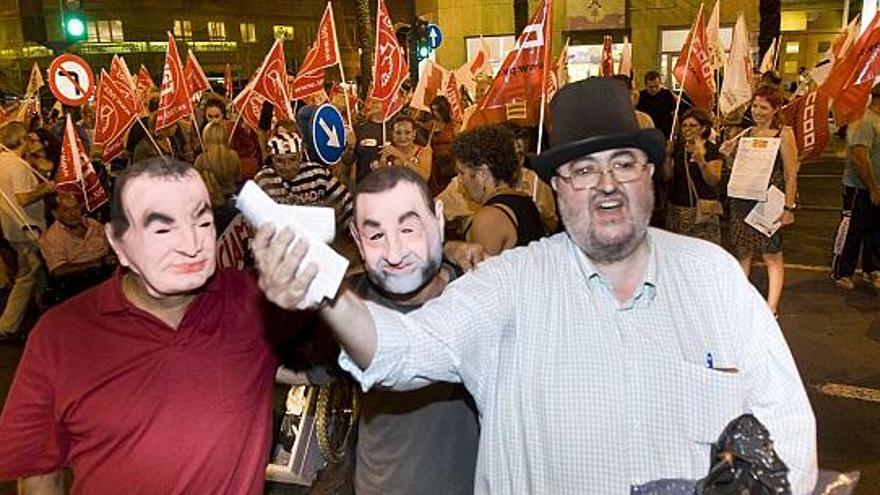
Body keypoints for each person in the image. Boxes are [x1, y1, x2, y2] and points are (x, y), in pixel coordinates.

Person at [252, 78, 818, 494]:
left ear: (650, 173)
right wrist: (323, 287)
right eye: (581, 171)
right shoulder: (510, 287)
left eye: (623, 164)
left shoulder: (714, 278)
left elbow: (787, 426)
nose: (605, 187)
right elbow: (401, 349)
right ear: (555, 189)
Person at [0, 157, 299, 493]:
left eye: (202, 223)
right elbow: (39, 473)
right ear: (117, 242)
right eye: (162, 229)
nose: (191, 246)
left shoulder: (256, 302)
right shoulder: (59, 335)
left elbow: (355, 356)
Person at [345, 166, 480, 494]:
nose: (394, 253)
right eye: (376, 235)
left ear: (439, 218)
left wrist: (449, 248)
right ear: (357, 239)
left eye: (409, 228)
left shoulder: (480, 293)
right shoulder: (347, 305)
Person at [721, 86, 799, 316]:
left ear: (776, 109)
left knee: (771, 255)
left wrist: (788, 207)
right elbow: (737, 169)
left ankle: (771, 306)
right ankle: (740, 302)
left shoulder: (784, 134)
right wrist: (730, 154)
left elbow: (790, 174)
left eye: (764, 107)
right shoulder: (745, 134)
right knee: (743, 251)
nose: (758, 112)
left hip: (769, 203)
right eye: (755, 106)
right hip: (742, 200)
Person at [452, 125, 545, 256]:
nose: (460, 180)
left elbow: (482, 274)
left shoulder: (489, 217)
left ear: (482, 174)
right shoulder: (525, 200)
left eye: (462, 173)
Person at [0, 122, 54, 340]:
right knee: (27, 274)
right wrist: (46, 188)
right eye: (28, 139)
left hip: (12, 227)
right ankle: (7, 325)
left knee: (39, 268)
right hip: (27, 226)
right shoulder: (17, 166)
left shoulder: (4, 162)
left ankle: (46, 309)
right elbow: (23, 198)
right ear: (22, 140)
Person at [254, 130, 354, 232]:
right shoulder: (263, 180)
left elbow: (345, 204)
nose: (287, 167)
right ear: (272, 159)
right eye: (280, 161)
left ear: (301, 156)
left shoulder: (318, 174)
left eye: (293, 159)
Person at [831, 83, 880, 290]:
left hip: (874, 187)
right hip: (858, 188)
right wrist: (873, 188)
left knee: (875, 230)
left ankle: (872, 269)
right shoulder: (864, 122)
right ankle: (841, 271)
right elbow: (860, 157)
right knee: (851, 230)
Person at [662, 109, 724, 244]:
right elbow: (667, 176)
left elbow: (713, 180)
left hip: (702, 211)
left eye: (692, 125)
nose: (687, 129)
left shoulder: (712, 150)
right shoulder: (678, 148)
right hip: (677, 209)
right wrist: (667, 155)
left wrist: (701, 161)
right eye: (684, 125)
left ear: (703, 128)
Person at [193, 120, 241, 233]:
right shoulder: (234, 156)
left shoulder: (201, 160)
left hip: (211, 207)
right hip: (232, 206)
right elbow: (238, 178)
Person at [377, 114, 432, 182]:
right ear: (392, 134)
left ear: (414, 133)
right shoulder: (388, 152)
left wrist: (400, 156)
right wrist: (380, 167)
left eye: (407, 132)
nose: (403, 138)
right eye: (398, 133)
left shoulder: (423, 151)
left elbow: (424, 178)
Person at [354, 98, 391, 185]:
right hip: (364, 184)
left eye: (378, 100)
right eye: (371, 100)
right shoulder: (358, 128)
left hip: (389, 185)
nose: (374, 104)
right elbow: (348, 161)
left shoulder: (396, 128)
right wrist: (350, 147)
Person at [427, 95, 458, 196]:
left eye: (438, 110)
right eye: (433, 110)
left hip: (450, 162)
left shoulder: (454, 125)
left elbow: (458, 144)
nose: (435, 113)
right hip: (435, 164)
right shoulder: (431, 125)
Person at [636, 70, 677, 138]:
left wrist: (674, 136)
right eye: (651, 87)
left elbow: (674, 116)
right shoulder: (640, 96)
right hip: (646, 134)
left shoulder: (667, 94)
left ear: (660, 83)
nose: (654, 89)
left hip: (665, 134)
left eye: (656, 86)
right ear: (645, 85)